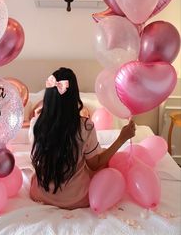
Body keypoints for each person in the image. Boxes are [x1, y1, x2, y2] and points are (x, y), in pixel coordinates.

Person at [30, 67, 136, 209]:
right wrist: (121, 138)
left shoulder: (36, 124)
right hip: (76, 198)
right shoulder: (85, 127)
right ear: (74, 96)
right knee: (102, 162)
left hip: (42, 194)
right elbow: (95, 164)